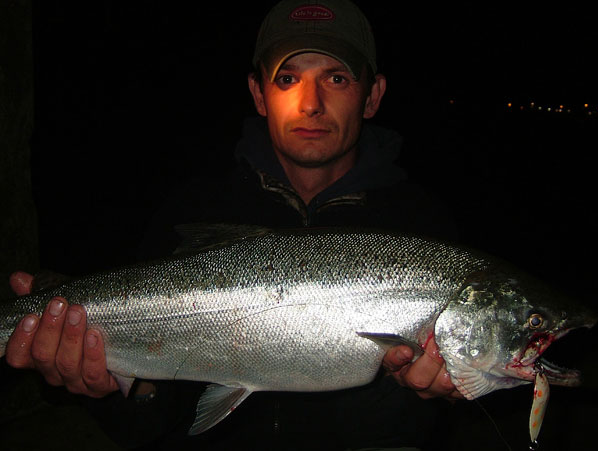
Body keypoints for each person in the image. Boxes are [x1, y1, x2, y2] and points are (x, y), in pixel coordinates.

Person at [6, 0, 461, 449]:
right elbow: (147, 425)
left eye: (336, 78)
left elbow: (429, 430)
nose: (311, 104)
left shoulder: (423, 226)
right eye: (287, 79)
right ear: (259, 94)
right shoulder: (191, 209)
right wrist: (118, 387)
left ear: (373, 95)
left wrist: (438, 390)